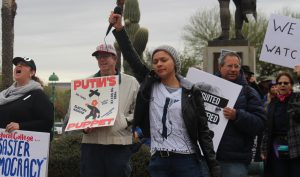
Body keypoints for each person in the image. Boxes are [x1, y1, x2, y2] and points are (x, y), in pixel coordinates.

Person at [110, 13, 221, 177]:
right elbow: (132, 56)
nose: (159, 64)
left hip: (187, 162)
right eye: (155, 62)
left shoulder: (191, 92)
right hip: (159, 162)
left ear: (174, 63)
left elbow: (203, 132)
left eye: (163, 60)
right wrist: (119, 30)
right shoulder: (150, 84)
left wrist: (213, 165)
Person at [64, 43, 140, 177]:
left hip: (118, 144)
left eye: (106, 56)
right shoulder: (85, 83)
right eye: (98, 57)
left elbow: (139, 110)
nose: (102, 60)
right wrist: (83, 126)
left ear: (115, 59)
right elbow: (73, 112)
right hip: (92, 144)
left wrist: (124, 121)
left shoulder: (131, 82)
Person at [215, 52, 266, 177]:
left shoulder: (249, 92)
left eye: (236, 66)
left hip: (235, 161)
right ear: (220, 67)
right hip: (207, 158)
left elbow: (260, 123)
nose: (233, 69)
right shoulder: (206, 87)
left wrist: (237, 116)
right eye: (229, 66)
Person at [261, 71, 300, 177]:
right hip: (278, 145)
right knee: (279, 172)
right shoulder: (272, 104)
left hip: (296, 145)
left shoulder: (297, 98)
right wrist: (264, 149)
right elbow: (267, 129)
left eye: (286, 83)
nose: (282, 85)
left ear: (291, 85)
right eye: (280, 83)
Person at [0, 57, 53, 134]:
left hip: (26, 143)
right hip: (4, 143)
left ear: (32, 72)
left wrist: (21, 126)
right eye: (17, 65)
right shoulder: (5, 94)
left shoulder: (38, 95)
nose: (18, 66)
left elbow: (47, 123)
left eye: (23, 65)